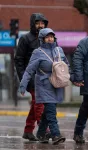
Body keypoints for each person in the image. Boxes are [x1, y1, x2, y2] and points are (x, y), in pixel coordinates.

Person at [19, 28, 67, 145]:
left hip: (56, 85)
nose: (50, 39)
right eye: (47, 37)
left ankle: (41, 134)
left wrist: (75, 78)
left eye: (51, 36)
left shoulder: (59, 50)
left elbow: (66, 65)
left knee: (47, 111)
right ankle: (56, 134)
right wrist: (23, 85)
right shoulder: (38, 52)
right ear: (42, 39)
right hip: (43, 86)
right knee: (51, 111)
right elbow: (29, 70)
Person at [14, 13, 48, 141]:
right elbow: (18, 60)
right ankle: (44, 130)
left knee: (36, 103)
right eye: (38, 23)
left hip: (45, 77)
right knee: (39, 103)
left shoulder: (46, 38)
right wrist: (24, 79)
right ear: (33, 24)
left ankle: (28, 130)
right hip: (32, 77)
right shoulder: (25, 39)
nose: (40, 25)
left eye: (42, 23)